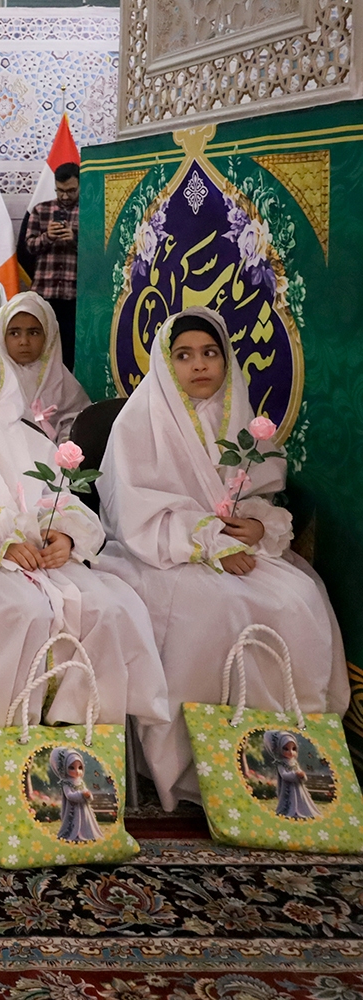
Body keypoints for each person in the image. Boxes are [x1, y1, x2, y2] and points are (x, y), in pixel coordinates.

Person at [0, 336, 171, 835]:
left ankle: (82, 745)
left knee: (110, 608)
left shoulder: (28, 438)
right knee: (21, 613)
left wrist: (65, 537)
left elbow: (61, 501)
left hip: (46, 564)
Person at [97, 308, 348, 811]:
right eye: (184, 355)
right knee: (217, 609)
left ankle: (291, 754)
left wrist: (257, 526)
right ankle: (202, 764)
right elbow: (133, 512)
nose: (199, 365)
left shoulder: (242, 420)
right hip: (160, 552)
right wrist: (211, 542)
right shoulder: (138, 421)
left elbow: (261, 495)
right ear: (165, 363)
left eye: (210, 353)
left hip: (241, 549)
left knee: (297, 598)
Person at [0, 291, 90, 442]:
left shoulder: (61, 380)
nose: (24, 341)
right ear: (1, 336)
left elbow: (79, 419)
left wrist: (65, 443)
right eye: (14, 333)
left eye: (34, 333)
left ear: (48, 336)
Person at [22, 163, 80, 368]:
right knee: (43, 345)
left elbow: (98, 253)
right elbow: (29, 247)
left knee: (70, 348)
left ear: (80, 186)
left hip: (75, 295)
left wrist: (75, 240)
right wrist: (48, 236)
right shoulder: (41, 210)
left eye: (71, 191)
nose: (65, 196)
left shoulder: (91, 211)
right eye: (60, 191)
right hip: (45, 292)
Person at [265, 731, 322, 820]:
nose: (291, 752)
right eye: (286, 749)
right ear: (279, 749)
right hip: (287, 787)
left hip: (298, 786)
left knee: (301, 799)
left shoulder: (294, 762)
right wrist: (295, 774)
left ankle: (302, 810)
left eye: (293, 749)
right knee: (290, 800)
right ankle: (290, 811)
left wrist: (302, 776)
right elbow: (284, 775)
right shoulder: (280, 763)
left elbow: (300, 772)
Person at [51, 747, 104, 842]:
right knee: (74, 822)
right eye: (72, 768)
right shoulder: (66, 783)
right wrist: (82, 794)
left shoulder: (80, 782)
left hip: (84, 808)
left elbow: (87, 794)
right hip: (72, 809)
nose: (77, 771)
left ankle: (86, 833)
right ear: (64, 768)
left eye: (80, 768)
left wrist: (88, 796)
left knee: (85, 821)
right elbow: (69, 796)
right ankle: (73, 834)